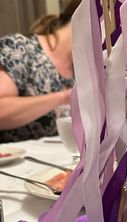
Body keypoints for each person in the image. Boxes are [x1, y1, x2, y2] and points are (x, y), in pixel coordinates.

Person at [0, 0, 81, 143]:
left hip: (56, 155)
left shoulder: (81, 68)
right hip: (15, 155)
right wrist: (63, 97)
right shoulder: (20, 48)